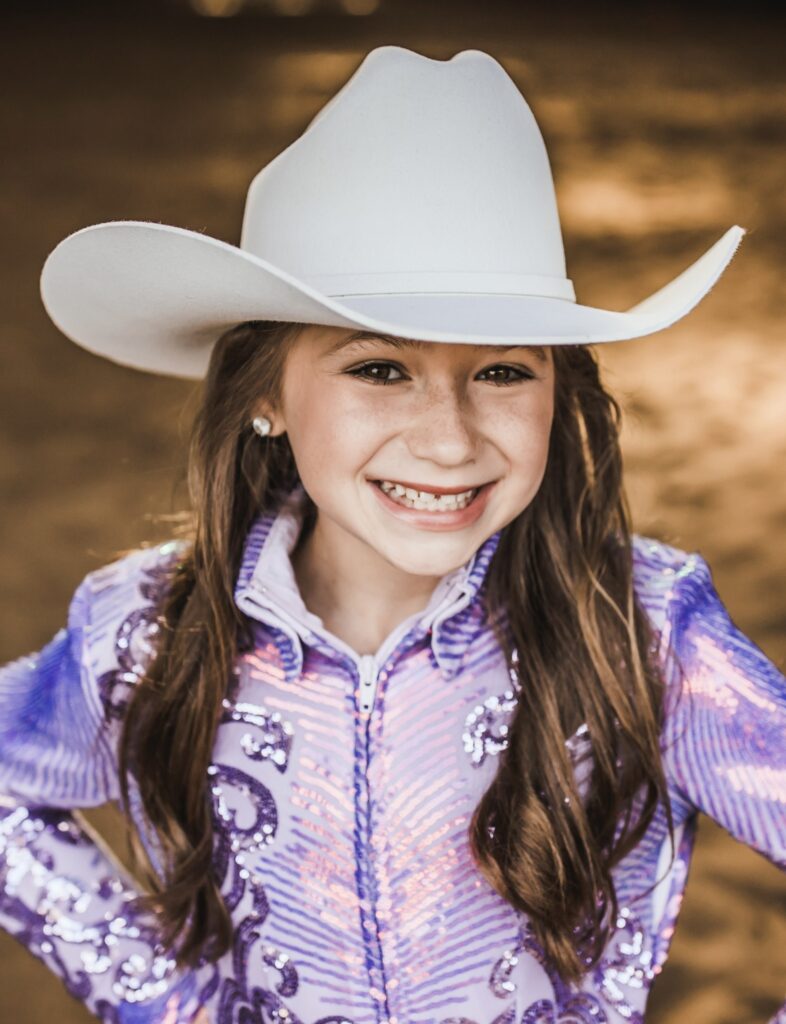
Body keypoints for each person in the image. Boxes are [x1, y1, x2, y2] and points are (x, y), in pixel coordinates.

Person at [1, 44, 784, 1024]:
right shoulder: (143, 629)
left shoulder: (642, 629)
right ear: (265, 398)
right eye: (379, 369)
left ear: (561, 388)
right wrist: (164, 997)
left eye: (502, 371)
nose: (448, 438)